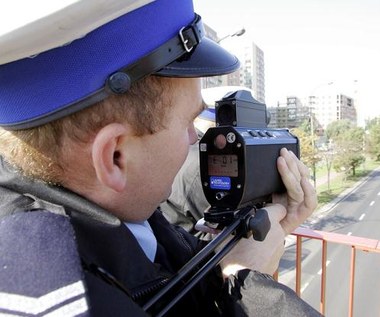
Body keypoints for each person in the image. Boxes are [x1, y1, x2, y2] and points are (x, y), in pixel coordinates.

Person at [0, 0, 321, 316]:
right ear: (116, 157)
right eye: (187, 124)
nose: (196, 139)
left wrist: (234, 252)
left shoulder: (125, 221)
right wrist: (246, 286)